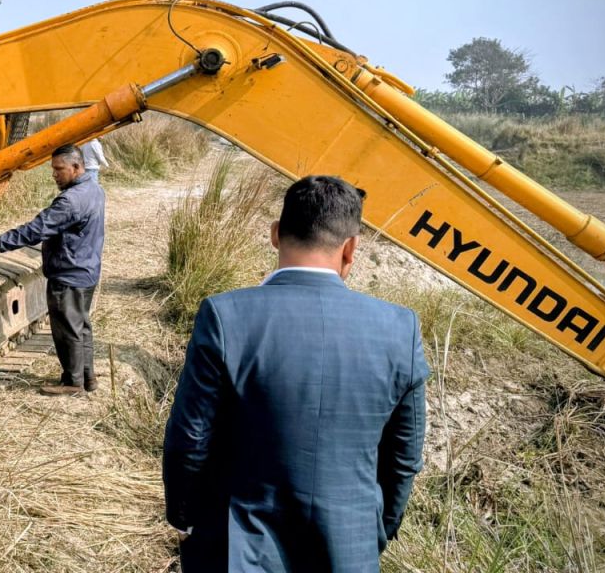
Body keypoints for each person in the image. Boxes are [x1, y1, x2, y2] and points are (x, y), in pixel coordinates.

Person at [162, 175, 428, 571]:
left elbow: (191, 438)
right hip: (349, 549)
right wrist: (374, 530)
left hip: (239, 547)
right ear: (350, 248)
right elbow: (403, 457)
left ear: (275, 235)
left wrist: (185, 515)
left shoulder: (225, 316)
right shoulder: (399, 328)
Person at [0, 144, 106, 395]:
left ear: (77, 167)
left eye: (60, 169)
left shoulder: (70, 201)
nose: (55, 174)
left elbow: (36, 229)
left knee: (66, 328)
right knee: (81, 325)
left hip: (69, 272)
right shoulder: (95, 189)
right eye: (53, 169)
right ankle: (88, 378)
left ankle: (72, 382)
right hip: (87, 269)